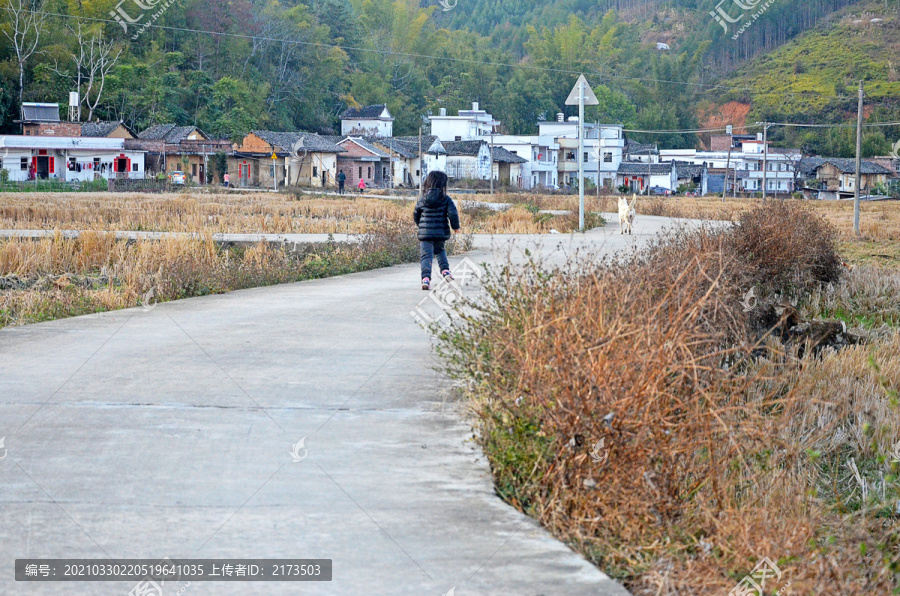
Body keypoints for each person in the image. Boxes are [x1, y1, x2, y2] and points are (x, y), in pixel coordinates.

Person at [413, 171, 460, 290]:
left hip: (425, 234)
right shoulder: (446, 199)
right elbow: (453, 214)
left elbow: (416, 213)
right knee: (440, 251)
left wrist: (421, 225)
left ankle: (425, 279)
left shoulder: (422, 199)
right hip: (440, 233)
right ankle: (445, 271)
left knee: (426, 256)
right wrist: (455, 227)